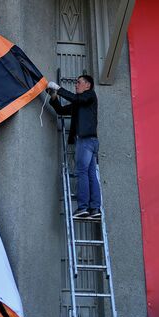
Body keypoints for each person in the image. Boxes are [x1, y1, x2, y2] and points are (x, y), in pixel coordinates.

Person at [47, 75, 102, 218]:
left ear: (88, 85)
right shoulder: (80, 102)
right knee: (90, 174)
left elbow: (77, 98)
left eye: (78, 83)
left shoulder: (89, 95)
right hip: (91, 141)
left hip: (84, 141)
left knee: (82, 173)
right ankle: (95, 208)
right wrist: (54, 97)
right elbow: (61, 110)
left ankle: (83, 207)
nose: (76, 85)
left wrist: (59, 89)